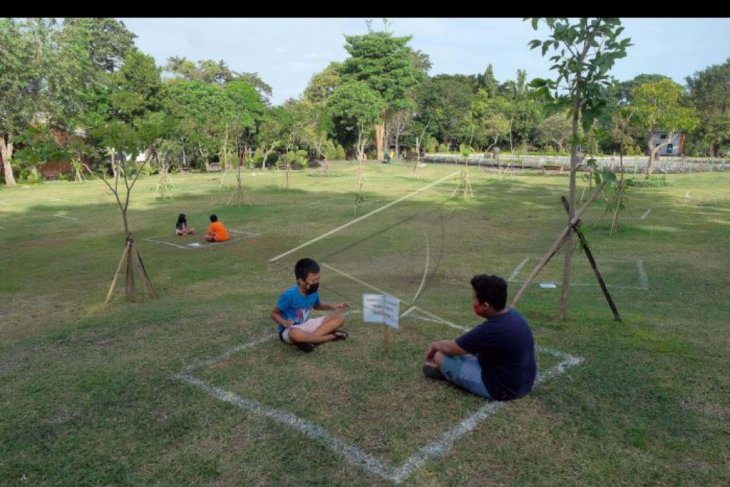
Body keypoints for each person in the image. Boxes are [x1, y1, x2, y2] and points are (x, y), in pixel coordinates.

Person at [423, 274, 537, 401]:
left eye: (475, 299)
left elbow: (450, 348)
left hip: (503, 389)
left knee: (440, 356)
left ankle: (446, 373)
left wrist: (434, 345)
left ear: (486, 306)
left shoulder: (491, 329)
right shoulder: (513, 315)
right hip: (524, 382)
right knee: (464, 352)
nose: (473, 303)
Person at [270, 257, 350, 353]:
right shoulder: (289, 295)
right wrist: (284, 323)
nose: (316, 283)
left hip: (306, 325)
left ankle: (311, 341)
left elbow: (317, 306)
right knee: (296, 334)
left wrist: (333, 306)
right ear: (301, 281)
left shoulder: (313, 292)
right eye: (313, 280)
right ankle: (331, 337)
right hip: (290, 329)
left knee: (340, 317)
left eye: (318, 279)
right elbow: (274, 313)